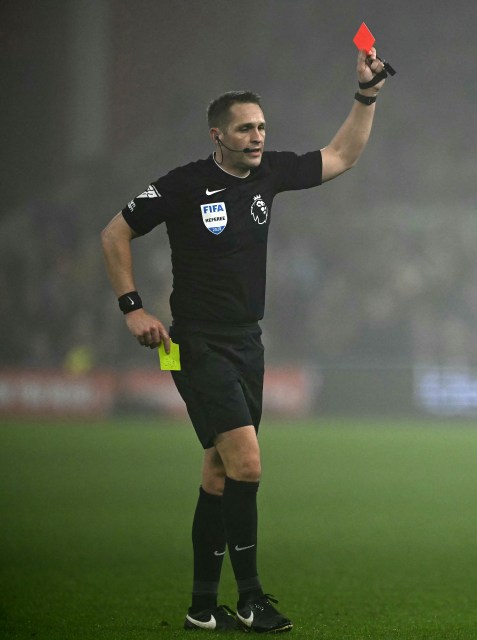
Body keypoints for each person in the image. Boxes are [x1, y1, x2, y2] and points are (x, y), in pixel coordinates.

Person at [100, 46, 389, 633]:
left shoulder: (271, 173)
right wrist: (132, 308)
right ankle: (253, 599)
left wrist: (367, 95)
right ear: (218, 135)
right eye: (245, 128)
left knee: (217, 472)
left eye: (261, 126)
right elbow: (115, 232)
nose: (257, 136)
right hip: (196, 344)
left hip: (246, 343)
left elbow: (341, 155)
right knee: (248, 466)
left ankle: (203, 609)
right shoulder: (183, 185)